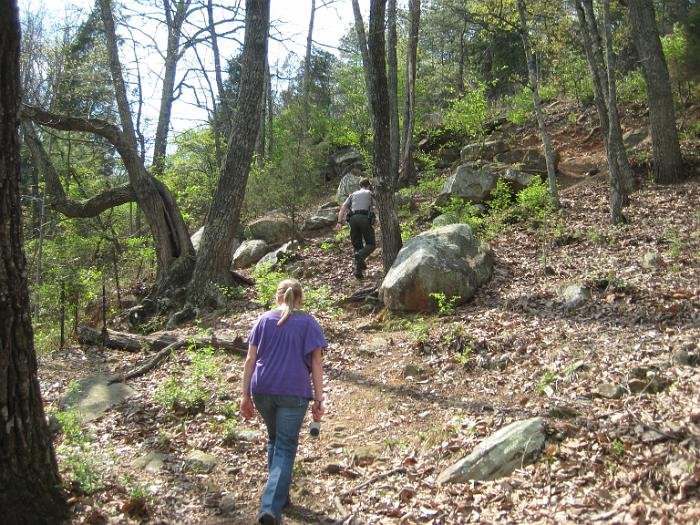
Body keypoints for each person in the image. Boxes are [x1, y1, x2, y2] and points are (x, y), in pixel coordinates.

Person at [240, 279, 326, 525]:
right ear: (300, 299)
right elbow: (317, 363)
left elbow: (249, 360)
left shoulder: (262, 320)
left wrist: (244, 394)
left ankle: (280, 497)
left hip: (262, 388)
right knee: (286, 446)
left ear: (277, 297)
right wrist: (319, 398)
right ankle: (269, 507)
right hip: (293, 391)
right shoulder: (307, 322)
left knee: (275, 440)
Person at [335, 177, 376, 279]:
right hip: (364, 218)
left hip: (352, 219)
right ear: (369, 186)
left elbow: (343, 208)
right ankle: (360, 255)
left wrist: (339, 222)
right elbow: (377, 205)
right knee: (371, 244)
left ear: (359, 186)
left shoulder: (352, 195)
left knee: (357, 246)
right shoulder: (370, 193)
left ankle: (358, 271)